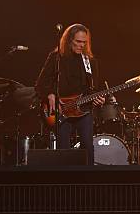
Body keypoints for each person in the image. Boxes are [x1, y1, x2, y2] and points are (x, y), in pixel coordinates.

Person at [36, 24, 104, 164]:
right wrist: (49, 94)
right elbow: (40, 84)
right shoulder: (56, 57)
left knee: (87, 147)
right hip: (61, 110)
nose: (82, 45)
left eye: (84, 42)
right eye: (78, 42)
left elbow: (93, 89)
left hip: (84, 110)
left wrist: (98, 98)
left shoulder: (89, 61)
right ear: (69, 40)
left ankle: (89, 181)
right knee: (63, 149)